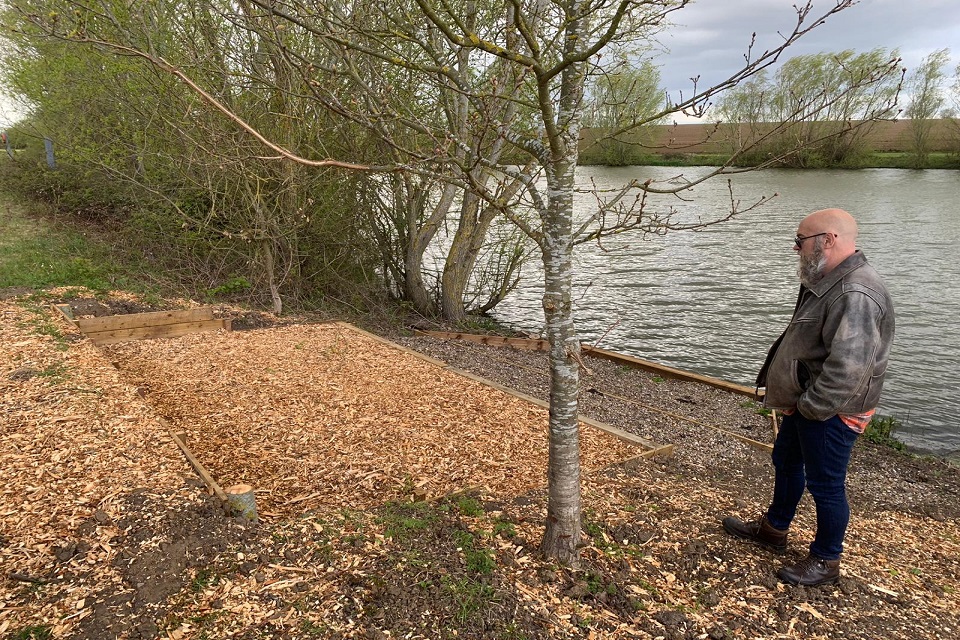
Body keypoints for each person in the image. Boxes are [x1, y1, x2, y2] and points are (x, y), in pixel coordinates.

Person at [722, 208, 895, 586]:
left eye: (800, 241)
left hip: (830, 409)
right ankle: (774, 529)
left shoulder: (856, 291)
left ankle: (826, 560)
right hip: (809, 401)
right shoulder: (831, 279)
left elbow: (849, 368)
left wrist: (811, 407)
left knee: (826, 484)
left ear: (828, 240)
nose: (795, 248)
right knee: (785, 461)